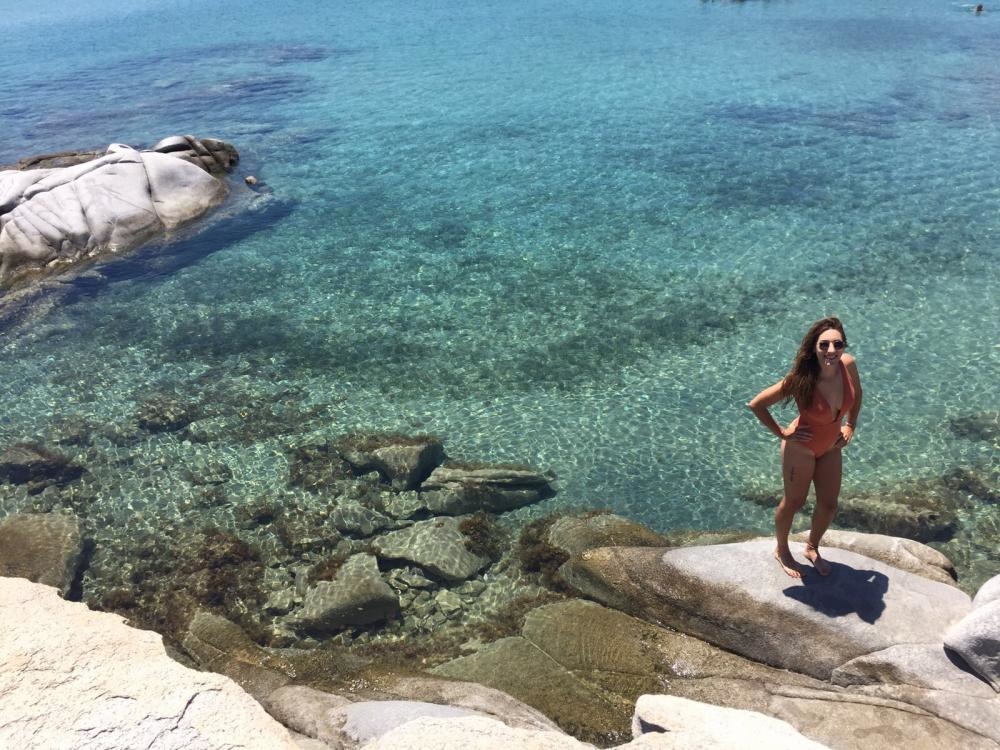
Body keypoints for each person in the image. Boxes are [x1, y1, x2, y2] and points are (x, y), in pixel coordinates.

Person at [747, 317, 863, 578]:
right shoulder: (801, 379)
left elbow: (858, 394)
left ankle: (812, 547)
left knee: (829, 505)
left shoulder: (848, 365)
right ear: (814, 348)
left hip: (830, 446)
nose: (831, 350)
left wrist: (850, 425)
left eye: (837, 344)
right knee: (794, 502)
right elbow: (757, 404)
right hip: (801, 449)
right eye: (824, 345)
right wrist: (782, 432)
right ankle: (782, 550)